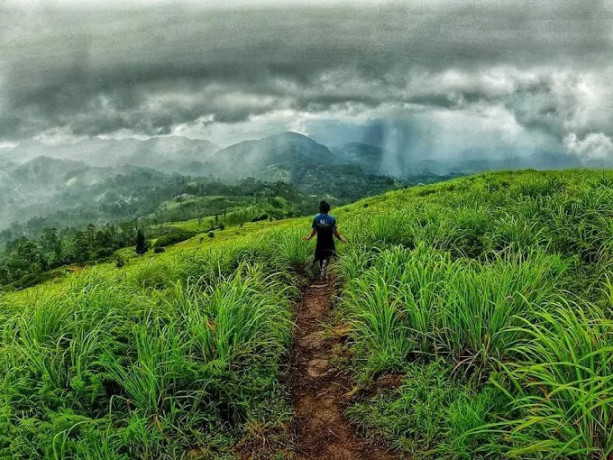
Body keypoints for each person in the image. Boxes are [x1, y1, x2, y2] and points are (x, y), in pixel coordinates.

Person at [303, 200, 346, 280]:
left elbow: (314, 232)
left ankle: (312, 271)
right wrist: (341, 239)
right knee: (328, 255)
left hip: (320, 241)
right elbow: (335, 232)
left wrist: (309, 238)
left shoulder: (316, 219)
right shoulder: (332, 219)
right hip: (329, 241)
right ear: (328, 209)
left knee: (319, 256)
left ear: (320, 209)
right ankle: (324, 271)